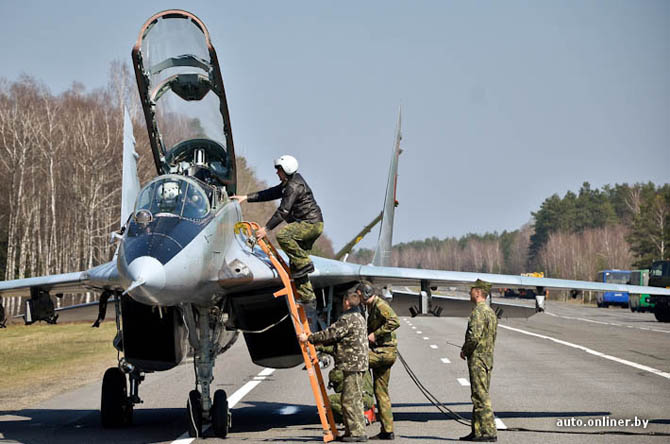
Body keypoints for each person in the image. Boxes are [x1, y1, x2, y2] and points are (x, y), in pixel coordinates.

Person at [232, 155, 323, 317]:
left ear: (286, 170)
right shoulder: (287, 184)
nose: (276, 173)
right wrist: (246, 198)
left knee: (283, 236)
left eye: (278, 170)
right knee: (296, 264)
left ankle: (306, 262)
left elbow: (283, 211)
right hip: (309, 224)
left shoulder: (294, 186)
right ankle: (308, 297)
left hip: (311, 224)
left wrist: (266, 229)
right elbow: (270, 193)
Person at [298, 288, 369, 442]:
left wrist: (309, 338)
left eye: (344, 301)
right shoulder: (359, 317)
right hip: (356, 364)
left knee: (351, 400)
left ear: (347, 302)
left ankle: (358, 433)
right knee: (350, 399)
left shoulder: (348, 319)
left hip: (352, 365)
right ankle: (353, 432)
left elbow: (330, 334)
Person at [358, 281, 399, 440]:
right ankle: (387, 431)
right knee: (381, 392)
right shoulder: (370, 307)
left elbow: (395, 321)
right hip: (382, 352)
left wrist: (376, 335)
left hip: (384, 352)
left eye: (360, 295)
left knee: (353, 362)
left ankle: (357, 413)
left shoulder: (380, 305)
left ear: (365, 294)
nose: (359, 298)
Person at [459, 279, 498, 442]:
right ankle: (477, 431)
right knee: (478, 394)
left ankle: (489, 431)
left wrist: (465, 350)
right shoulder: (490, 312)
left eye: (471, 290)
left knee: (481, 396)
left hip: (478, 360)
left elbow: (474, 337)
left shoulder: (478, 312)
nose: (469, 293)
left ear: (478, 292)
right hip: (487, 359)